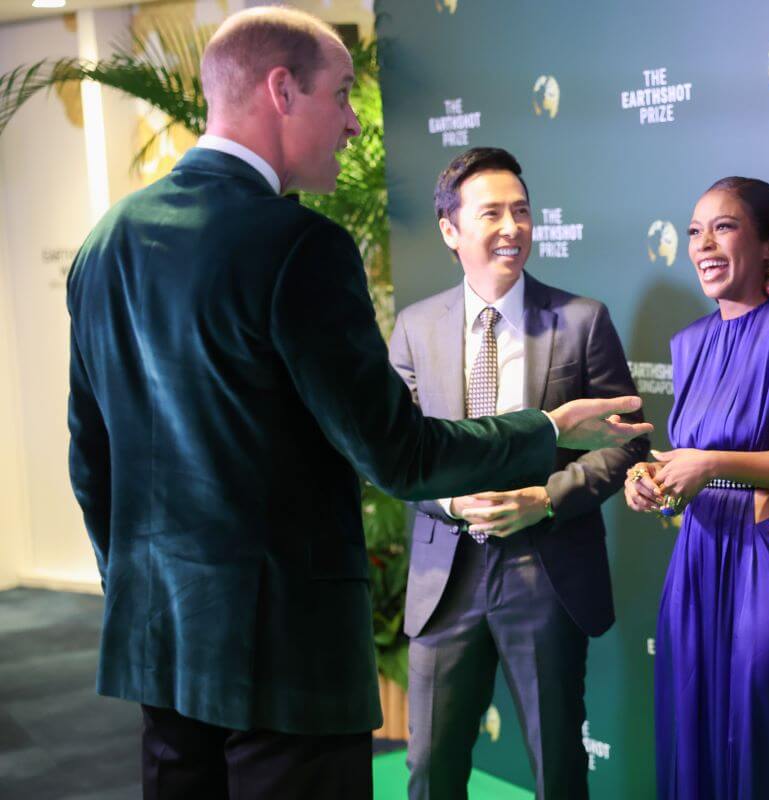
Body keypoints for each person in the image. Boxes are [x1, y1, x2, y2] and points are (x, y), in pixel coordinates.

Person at [64, 9, 650, 799]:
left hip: (157, 640)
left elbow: (89, 457)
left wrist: (137, 583)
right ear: (280, 89)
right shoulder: (298, 245)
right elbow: (399, 454)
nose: (351, 123)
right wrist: (550, 426)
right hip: (285, 661)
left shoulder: (104, 242)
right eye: (341, 95)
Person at [388, 147, 648, 800]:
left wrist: (546, 498)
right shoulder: (416, 328)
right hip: (444, 578)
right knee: (430, 770)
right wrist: (450, 505)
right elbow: (397, 455)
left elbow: (623, 447)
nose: (512, 227)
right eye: (493, 213)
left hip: (546, 569)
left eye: (522, 211)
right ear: (451, 230)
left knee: (558, 764)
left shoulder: (582, 321)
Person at [624, 177, 769, 798]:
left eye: (723, 227)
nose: (703, 243)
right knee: (698, 737)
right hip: (698, 565)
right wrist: (649, 479)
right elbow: (694, 457)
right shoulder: (690, 344)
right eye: (696, 230)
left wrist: (710, 465)